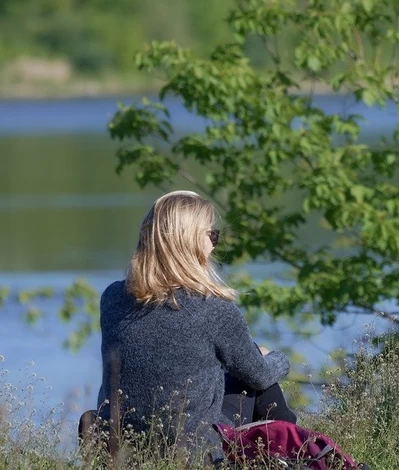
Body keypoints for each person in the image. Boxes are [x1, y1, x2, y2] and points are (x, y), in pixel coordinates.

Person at [94, 190, 295, 464]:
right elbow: (259, 376)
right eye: (212, 235)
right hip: (195, 451)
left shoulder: (112, 298)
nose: (214, 244)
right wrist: (277, 359)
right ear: (190, 241)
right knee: (261, 379)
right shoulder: (214, 309)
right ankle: (296, 452)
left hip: (123, 444)